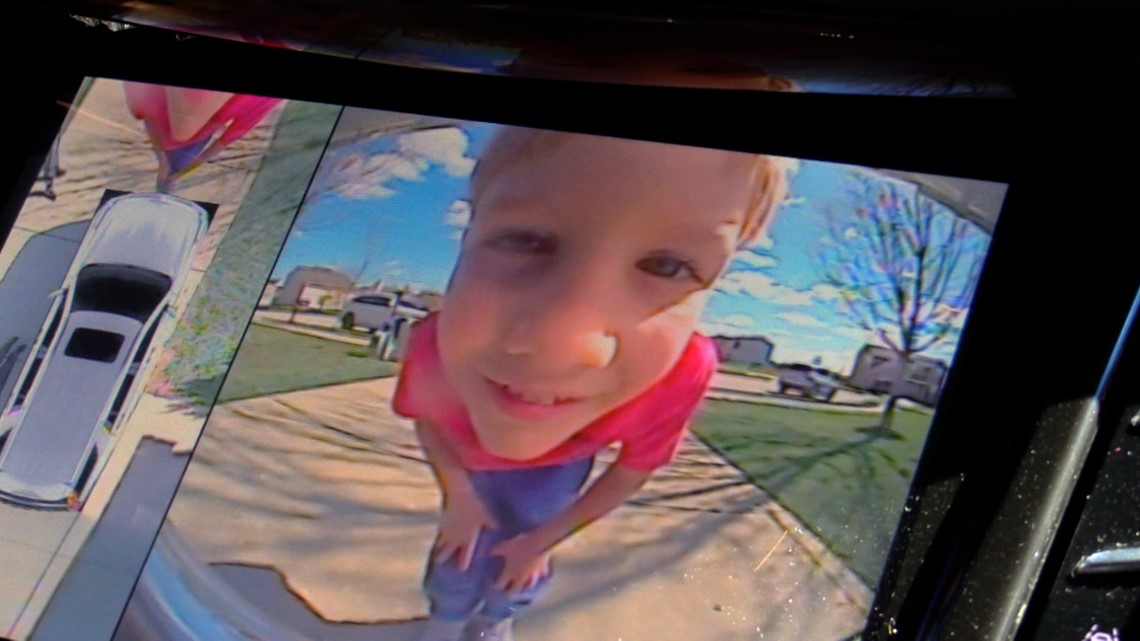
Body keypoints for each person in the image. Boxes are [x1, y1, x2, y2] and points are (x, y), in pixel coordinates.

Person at [393, 126, 792, 641]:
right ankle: (446, 619)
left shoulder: (679, 375)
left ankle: (496, 619)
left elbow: (632, 471)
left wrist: (546, 540)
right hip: (472, 467)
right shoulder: (433, 346)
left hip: (560, 473)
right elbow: (430, 423)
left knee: (527, 558)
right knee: (459, 548)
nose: (564, 349)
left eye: (667, 266)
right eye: (526, 239)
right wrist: (459, 498)